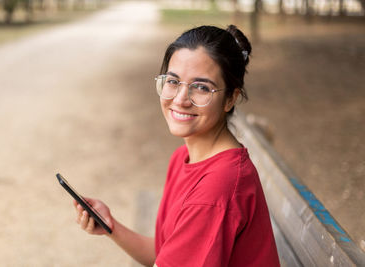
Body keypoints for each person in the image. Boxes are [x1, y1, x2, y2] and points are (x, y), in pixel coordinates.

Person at [73, 25, 280, 267]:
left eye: (201, 87)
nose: (180, 99)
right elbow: (163, 254)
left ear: (231, 99)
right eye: (173, 81)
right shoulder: (184, 157)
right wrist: (111, 226)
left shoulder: (218, 189)